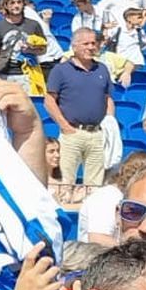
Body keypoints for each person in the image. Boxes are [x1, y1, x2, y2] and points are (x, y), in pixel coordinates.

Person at [45, 28, 114, 190]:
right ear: (74, 46)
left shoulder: (102, 69)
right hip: (72, 134)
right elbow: (49, 101)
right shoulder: (60, 70)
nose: (91, 47)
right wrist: (65, 127)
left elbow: (108, 98)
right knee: (66, 182)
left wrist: (109, 123)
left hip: (97, 134)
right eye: (86, 43)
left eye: (94, 43)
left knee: (94, 185)